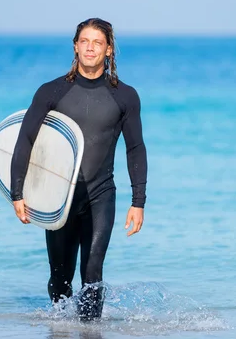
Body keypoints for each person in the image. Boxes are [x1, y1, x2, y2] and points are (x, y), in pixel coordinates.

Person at [10, 17, 148, 321]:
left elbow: (135, 148)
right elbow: (26, 140)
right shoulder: (52, 91)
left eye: (98, 42)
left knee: (92, 273)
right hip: (59, 198)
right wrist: (17, 193)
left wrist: (138, 202)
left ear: (109, 50)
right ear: (75, 46)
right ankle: (60, 329)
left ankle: (90, 331)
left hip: (101, 196)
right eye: (84, 41)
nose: (90, 47)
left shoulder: (125, 96)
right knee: (60, 278)